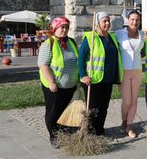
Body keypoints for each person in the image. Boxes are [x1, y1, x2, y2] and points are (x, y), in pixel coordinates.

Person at [78, 12, 123, 136]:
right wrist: (83, 75)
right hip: (93, 80)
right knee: (92, 109)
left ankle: (100, 130)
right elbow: (81, 58)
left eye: (108, 21)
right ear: (97, 23)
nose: (107, 23)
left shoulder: (112, 37)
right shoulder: (90, 38)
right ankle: (90, 133)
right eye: (104, 21)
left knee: (104, 107)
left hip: (107, 79)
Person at [38, 17, 79, 148]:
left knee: (64, 112)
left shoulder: (71, 42)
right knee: (53, 113)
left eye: (67, 27)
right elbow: (43, 65)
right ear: (55, 28)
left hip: (70, 86)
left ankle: (63, 133)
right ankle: (54, 137)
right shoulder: (48, 44)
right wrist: (52, 82)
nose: (65, 29)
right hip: (55, 87)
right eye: (62, 27)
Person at [115, 10, 144, 138]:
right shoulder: (119, 34)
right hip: (124, 72)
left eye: (137, 20)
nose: (135, 22)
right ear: (128, 20)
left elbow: (143, 51)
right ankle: (124, 120)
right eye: (132, 19)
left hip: (137, 70)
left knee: (134, 100)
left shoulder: (142, 34)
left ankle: (129, 126)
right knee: (127, 101)